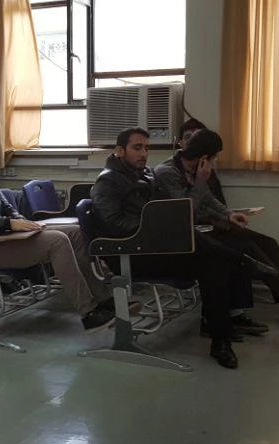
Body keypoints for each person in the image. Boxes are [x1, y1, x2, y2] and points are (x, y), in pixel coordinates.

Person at [0, 122, 117, 331]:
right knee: (57, 241)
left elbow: (6, 206)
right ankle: (88, 311)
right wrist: (8, 223)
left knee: (76, 233)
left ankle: (104, 300)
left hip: (2, 237)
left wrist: (22, 223)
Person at [90, 127, 243, 368]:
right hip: (129, 253)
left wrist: (164, 225)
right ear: (120, 151)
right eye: (137, 148)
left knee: (214, 265)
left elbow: (173, 207)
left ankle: (221, 341)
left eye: (146, 148)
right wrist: (153, 226)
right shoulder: (107, 182)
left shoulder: (145, 175)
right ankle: (243, 262)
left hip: (152, 246)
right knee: (216, 256)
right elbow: (115, 224)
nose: (144, 153)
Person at [152, 129, 279, 329]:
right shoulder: (167, 172)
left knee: (268, 243)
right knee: (246, 248)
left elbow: (208, 199)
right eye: (214, 157)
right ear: (204, 157)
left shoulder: (196, 169)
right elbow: (185, 211)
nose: (214, 162)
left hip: (210, 223)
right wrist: (201, 182)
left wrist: (228, 214)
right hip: (191, 232)